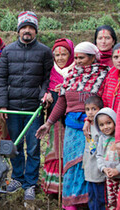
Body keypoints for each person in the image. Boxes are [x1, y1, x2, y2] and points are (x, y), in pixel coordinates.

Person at [36, 41, 109, 209]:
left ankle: (88, 201)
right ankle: (71, 202)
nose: (77, 61)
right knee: (70, 165)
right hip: (71, 129)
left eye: (81, 58)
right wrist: (48, 123)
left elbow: (104, 102)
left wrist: (90, 120)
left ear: (92, 58)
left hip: (91, 129)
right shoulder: (71, 75)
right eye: (75, 58)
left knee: (87, 165)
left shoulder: (102, 75)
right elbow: (62, 102)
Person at [0, 11, 53, 200]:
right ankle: (18, 178)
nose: (27, 31)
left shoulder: (45, 51)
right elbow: (1, 79)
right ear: (18, 30)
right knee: (15, 145)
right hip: (12, 107)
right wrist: (3, 105)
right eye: (24, 27)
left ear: (35, 30)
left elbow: (47, 78)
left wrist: (42, 95)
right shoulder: (8, 51)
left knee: (34, 146)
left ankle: (30, 183)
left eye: (31, 28)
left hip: (33, 109)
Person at [41, 38, 74, 195]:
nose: (60, 58)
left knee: (70, 151)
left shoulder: (76, 72)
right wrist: (47, 93)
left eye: (64, 54)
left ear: (71, 55)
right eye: (57, 55)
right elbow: (45, 86)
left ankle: (68, 188)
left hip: (73, 120)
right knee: (55, 150)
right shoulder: (51, 71)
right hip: (55, 120)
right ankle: (54, 189)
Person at [82, 96, 105, 210]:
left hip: (98, 168)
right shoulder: (88, 126)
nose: (90, 113)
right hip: (89, 168)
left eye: (93, 109)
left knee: (100, 198)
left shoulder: (101, 128)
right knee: (91, 195)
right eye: (87, 109)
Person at [95, 107, 118, 210]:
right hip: (109, 178)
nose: (106, 127)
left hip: (119, 175)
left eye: (109, 123)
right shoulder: (101, 139)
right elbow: (99, 155)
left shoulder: (118, 139)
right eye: (101, 125)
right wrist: (103, 168)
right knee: (111, 202)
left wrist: (117, 170)